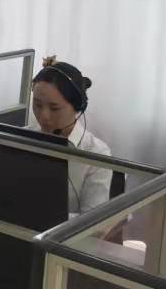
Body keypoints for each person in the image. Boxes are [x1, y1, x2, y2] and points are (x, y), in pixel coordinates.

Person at [31, 56, 111, 214]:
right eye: (37, 105)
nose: (44, 116)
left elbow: (91, 220)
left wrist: (46, 217)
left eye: (54, 108)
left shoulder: (96, 154)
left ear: (77, 107)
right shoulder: (23, 139)